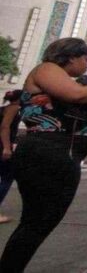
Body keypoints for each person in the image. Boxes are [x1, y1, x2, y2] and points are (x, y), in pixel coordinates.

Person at [0, 38, 87, 272]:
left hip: (60, 155)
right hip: (47, 151)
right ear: (70, 56)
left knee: (39, 223)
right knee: (36, 224)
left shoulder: (63, 80)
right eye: (85, 59)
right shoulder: (47, 69)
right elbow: (75, 94)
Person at [0, 90, 22, 224]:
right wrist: (7, 147)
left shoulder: (3, 108)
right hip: (3, 146)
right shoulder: (15, 109)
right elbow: (5, 127)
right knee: (7, 177)